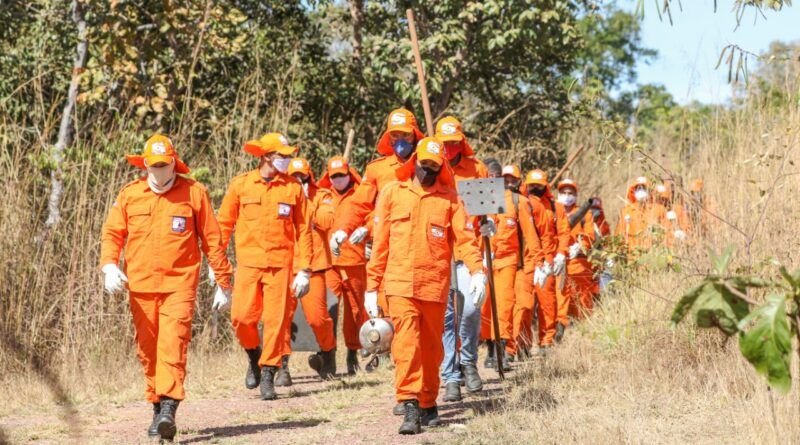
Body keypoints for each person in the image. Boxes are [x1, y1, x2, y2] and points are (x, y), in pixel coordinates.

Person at [100, 134, 233, 441]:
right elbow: (112, 234)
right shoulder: (131, 195)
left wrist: (223, 283)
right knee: (148, 352)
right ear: (145, 165)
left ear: (174, 163)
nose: (160, 171)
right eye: (154, 165)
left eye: (165, 164)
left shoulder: (194, 193)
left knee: (172, 345)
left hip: (179, 285)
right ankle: (157, 406)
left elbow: (212, 240)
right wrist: (108, 265)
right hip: (141, 287)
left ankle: (169, 410)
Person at [366, 137, 486, 435]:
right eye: (424, 165)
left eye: (434, 166)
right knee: (407, 346)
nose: (428, 170)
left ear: (441, 167)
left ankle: (428, 402)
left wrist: (477, 271)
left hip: (434, 285)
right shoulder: (393, 193)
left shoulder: (450, 200)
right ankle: (409, 404)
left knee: (432, 350)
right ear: (413, 163)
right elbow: (380, 244)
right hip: (400, 284)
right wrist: (371, 286)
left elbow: (465, 241)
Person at [217, 132, 313, 401]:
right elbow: (223, 225)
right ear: (266, 157)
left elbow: (304, 229)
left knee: (276, 322)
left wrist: (304, 269)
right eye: (281, 156)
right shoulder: (241, 185)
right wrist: (218, 266)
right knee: (242, 318)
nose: (286, 160)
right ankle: (253, 355)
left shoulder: (292, 189)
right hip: (248, 264)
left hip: (281, 266)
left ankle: (269, 373)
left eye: (287, 156)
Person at [331, 108, 425, 316]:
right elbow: (358, 204)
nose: (400, 140)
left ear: (415, 134)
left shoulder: (428, 166)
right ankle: (387, 347)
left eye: (405, 134)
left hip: (421, 247)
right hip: (386, 248)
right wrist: (343, 229)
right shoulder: (378, 169)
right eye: (395, 135)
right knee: (385, 305)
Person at [435, 116, 490, 403]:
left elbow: (489, 210)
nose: (449, 149)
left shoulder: (476, 168)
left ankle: (468, 360)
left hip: (469, 250)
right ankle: (451, 376)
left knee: (470, 311)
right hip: (440, 252)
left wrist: (490, 222)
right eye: (444, 144)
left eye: (454, 143)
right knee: (446, 319)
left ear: (461, 142)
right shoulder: (429, 168)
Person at [278, 157, 337, 382]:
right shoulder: (279, 196)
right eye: (294, 177)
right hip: (284, 265)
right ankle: (281, 364)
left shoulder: (322, 196)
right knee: (281, 318)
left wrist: (304, 203)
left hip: (314, 266)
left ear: (309, 177)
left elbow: (327, 221)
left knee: (317, 318)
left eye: (302, 177)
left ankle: (327, 352)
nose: (298, 180)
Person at [480, 164, 541, 364]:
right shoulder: (485, 198)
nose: (506, 182)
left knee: (505, 306)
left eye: (510, 179)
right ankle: (490, 349)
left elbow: (531, 236)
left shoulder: (519, 202)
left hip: (508, 261)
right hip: (486, 260)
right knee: (486, 307)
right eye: (503, 178)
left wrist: (538, 263)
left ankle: (504, 349)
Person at [318, 156, 370, 375]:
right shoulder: (322, 196)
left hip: (355, 260)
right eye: (334, 176)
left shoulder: (361, 193)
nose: (338, 179)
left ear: (349, 173)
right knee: (328, 308)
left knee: (355, 311)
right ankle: (328, 355)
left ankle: (352, 352)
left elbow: (372, 216)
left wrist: (368, 234)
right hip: (329, 262)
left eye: (342, 175)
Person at [523, 170, 559, 353]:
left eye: (539, 185)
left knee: (547, 304)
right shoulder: (522, 203)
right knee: (525, 305)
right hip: (526, 260)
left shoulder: (552, 206)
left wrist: (556, 256)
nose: (535, 188)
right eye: (532, 185)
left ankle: (546, 341)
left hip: (546, 260)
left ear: (546, 185)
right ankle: (523, 343)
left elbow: (557, 233)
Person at [555, 179, 598, 318]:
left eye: (570, 193)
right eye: (563, 192)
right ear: (558, 194)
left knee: (583, 296)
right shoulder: (553, 211)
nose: (567, 196)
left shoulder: (584, 213)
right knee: (560, 298)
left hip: (579, 262)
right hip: (558, 261)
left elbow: (590, 235)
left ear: (575, 195)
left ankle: (584, 328)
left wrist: (580, 246)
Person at [615, 176, 667, 255]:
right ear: (634, 191)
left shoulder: (659, 210)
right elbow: (619, 235)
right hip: (632, 257)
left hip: (653, 256)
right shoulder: (626, 211)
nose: (641, 191)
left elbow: (667, 233)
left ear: (650, 191)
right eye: (638, 188)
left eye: (644, 188)